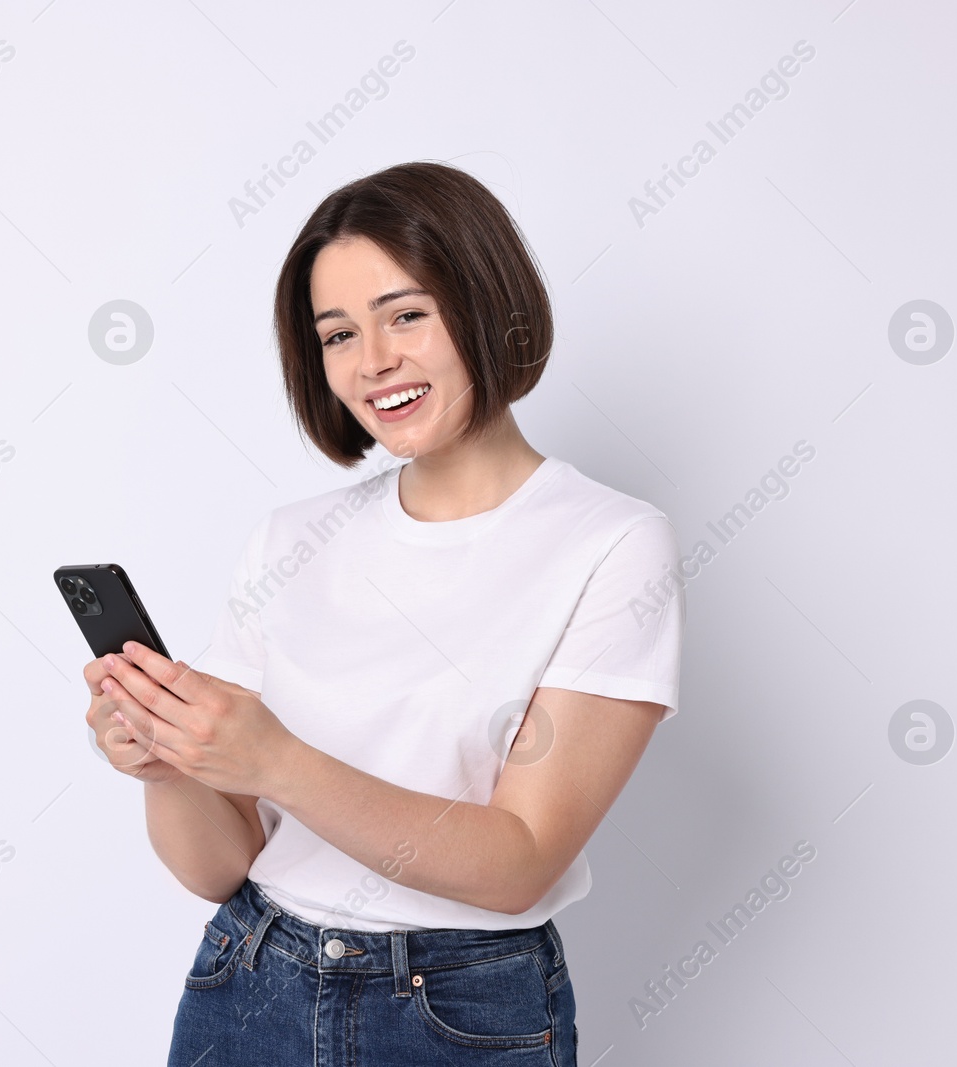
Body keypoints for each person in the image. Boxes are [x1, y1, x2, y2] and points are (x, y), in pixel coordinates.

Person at [84, 160, 685, 1066]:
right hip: (250, 981)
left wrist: (273, 759)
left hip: (459, 1012)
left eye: (406, 315)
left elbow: (520, 859)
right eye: (337, 334)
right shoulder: (291, 538)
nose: (372, 363)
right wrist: (168, 763)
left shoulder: (611, 544)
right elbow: (219, 868)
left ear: (488, 304)